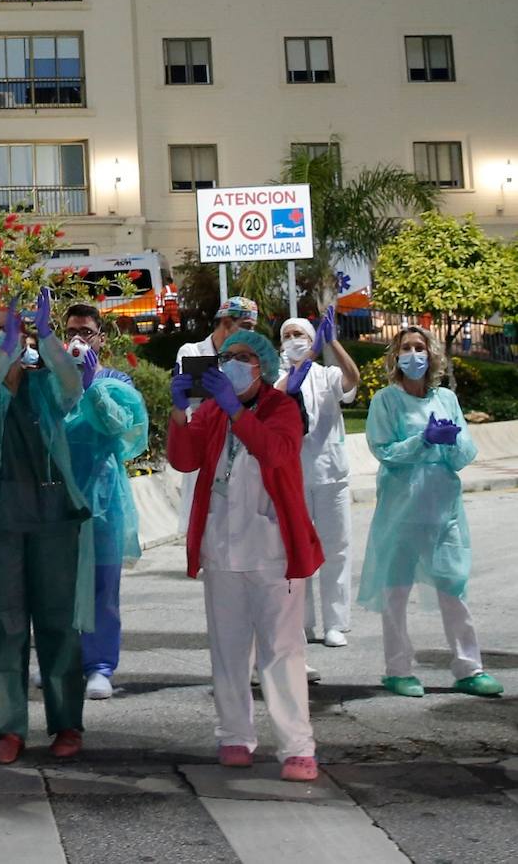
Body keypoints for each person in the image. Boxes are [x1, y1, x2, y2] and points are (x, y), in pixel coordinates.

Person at [168, 329, 323, 782]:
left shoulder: (282, 408)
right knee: (228, 649)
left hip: (274, 550)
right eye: (227, 356)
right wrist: (179, 411)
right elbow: (184, 460)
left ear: (263, 366)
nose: (232, 363)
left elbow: (276, 452)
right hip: (222, 547)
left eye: (243, 356)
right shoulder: (212, 410)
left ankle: (297, 746)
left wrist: (236, 411)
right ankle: (234, 734)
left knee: (282, 651)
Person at [0, 291, 92, 766]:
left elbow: (73, 386)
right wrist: (2, 351)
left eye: (13, 328)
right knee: (7, 626)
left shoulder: (45, 385)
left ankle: (67, 723)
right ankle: (9, 728)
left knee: (58, 623)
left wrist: (48, 336)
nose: (4, 336)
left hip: (54, 515)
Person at [358, 326, 503, 699]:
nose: (413, 355)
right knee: (395, 592)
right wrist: (422, 440)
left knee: (454, 590)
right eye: (406, 348)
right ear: (395, 357)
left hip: (443, 512)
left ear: (431, 353)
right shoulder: (386, 401)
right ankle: (398, 669)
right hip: (400, 512)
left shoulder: (446, 399)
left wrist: (450, 441)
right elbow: (384, 450)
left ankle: (469, 668)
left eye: (419, 347)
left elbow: (464, 454)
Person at [61, 304, 149, 701]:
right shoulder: (52, 380)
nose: (78, 339)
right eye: (71, 332)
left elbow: (121, 428)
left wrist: (92, 385)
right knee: (58, 585)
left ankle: (99, 666)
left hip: (103, 496)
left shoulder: (116, 381)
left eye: (86, 332)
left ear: (100, 338)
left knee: (102, 584)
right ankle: (62, 659)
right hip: (59, 493)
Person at [276, 308, 360, 649]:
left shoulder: (327, 375)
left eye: (300, 335)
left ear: (314, 340)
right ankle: (303, 622)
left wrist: (333, 343)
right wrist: (306, 357)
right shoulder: (276, 379)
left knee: (336, 549)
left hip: (331, 474)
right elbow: (278, 399)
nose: (293, 340)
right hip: (293, 477)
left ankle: (336, 623)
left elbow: (352, 380)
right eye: (287, 336)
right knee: (297, 551)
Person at [174, 297, 259, 532]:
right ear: (226, 323)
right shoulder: (192, 352)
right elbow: (196, 398)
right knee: (203, 528)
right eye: (246, 326)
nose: (251, 334)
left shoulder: (250, 358)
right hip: (206, 448)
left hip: (241, 449)